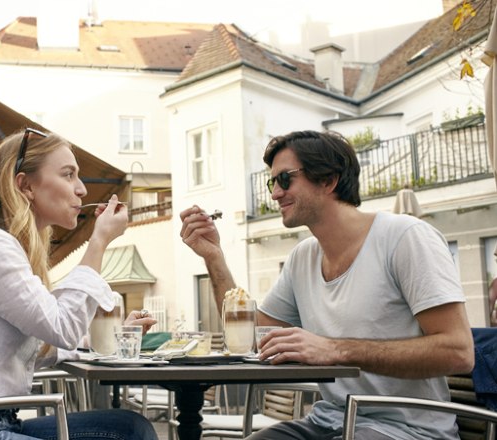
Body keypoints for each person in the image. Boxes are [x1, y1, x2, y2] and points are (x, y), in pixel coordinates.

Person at [180, 130, 474, 440]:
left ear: (328, 180)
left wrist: (334, 349)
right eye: (272, 183)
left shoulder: (406, 238)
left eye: (284, 180)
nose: (275, 194)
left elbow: (458, 351)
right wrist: (213, 256)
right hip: (328, 421)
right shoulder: (303, 257)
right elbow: (250, 337)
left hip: (408, 431)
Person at [0, 128, 157, 440]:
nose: (81, 189)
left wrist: (112, 338)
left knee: (130, 429)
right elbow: (61, 328)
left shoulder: (9, 247)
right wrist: (99, 240)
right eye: (68, 175)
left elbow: (44, 345)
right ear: (25, 185)